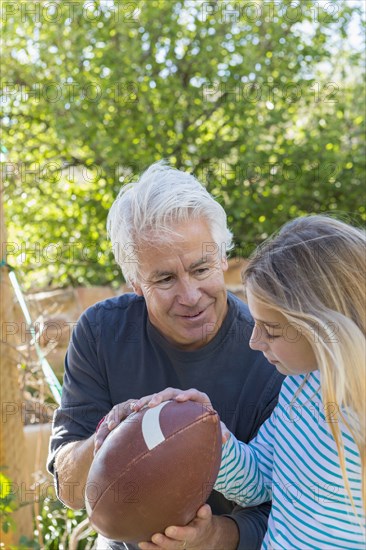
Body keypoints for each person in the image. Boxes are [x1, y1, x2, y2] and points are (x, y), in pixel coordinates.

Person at [47, 160, 284, 550]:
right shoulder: (100, 332)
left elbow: (285, 509)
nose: (190, 296)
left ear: (224, 258)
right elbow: (70, 488)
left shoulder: (274, 352)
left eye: (201, 268)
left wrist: (210, 538)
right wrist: (107, 435)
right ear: (136, 282)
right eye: (165, 279)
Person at [130, 215, 365, 549]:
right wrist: (208, 431)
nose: (254, 341)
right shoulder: (299, 389)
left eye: (269, 329)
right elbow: (258, 483)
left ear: (322, 326)